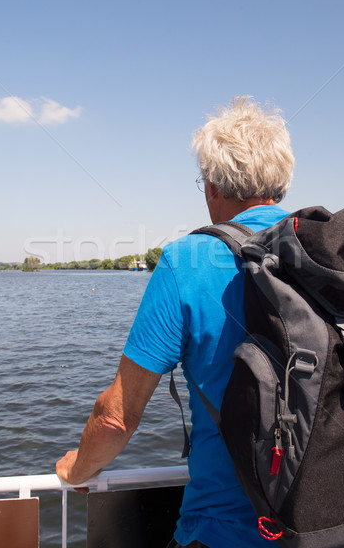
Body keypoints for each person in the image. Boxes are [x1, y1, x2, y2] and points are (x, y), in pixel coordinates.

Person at [56, 95, 295, 548]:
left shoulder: (186, 260)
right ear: (280, 184)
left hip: (225, 532)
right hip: (338, 527)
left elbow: (115, 418)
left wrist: (75, 470)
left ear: (210, 187)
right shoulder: (336, 259)